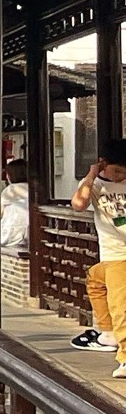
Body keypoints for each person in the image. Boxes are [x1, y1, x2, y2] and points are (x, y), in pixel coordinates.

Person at [67, 137, 126, 374]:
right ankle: (109, 334)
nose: (120, 177)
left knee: (120, 306)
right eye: (117, 171)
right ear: (103, 164)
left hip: (120, 256)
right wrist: (92, 176)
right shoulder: (95, 185)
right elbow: (78, 204)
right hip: (112, 254)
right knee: (95, 281)